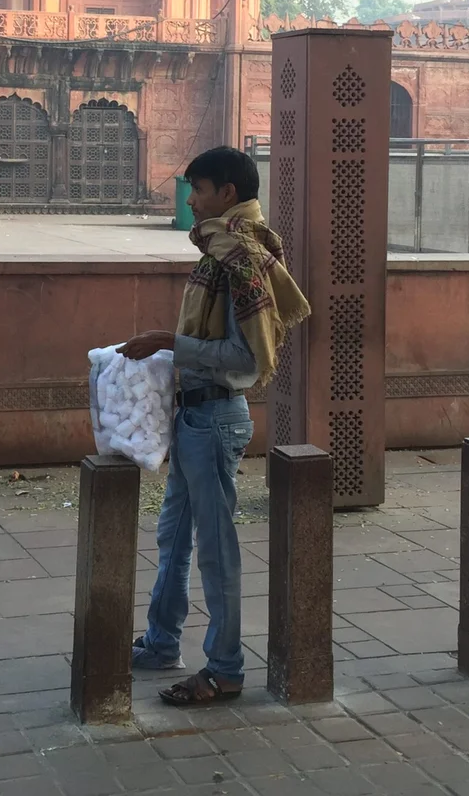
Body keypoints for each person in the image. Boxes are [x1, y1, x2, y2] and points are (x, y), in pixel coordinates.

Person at [121, 146, 310, 707]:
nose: (190, 200)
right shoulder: (221, 251)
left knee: (215, 548)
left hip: (216, 418)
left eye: (198, 190)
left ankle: (225, 667)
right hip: (196, 415)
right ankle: (161, 641)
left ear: (227, 193)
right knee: (173, 536)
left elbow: (245, 357)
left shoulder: (240, 258)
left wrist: (165, 342)